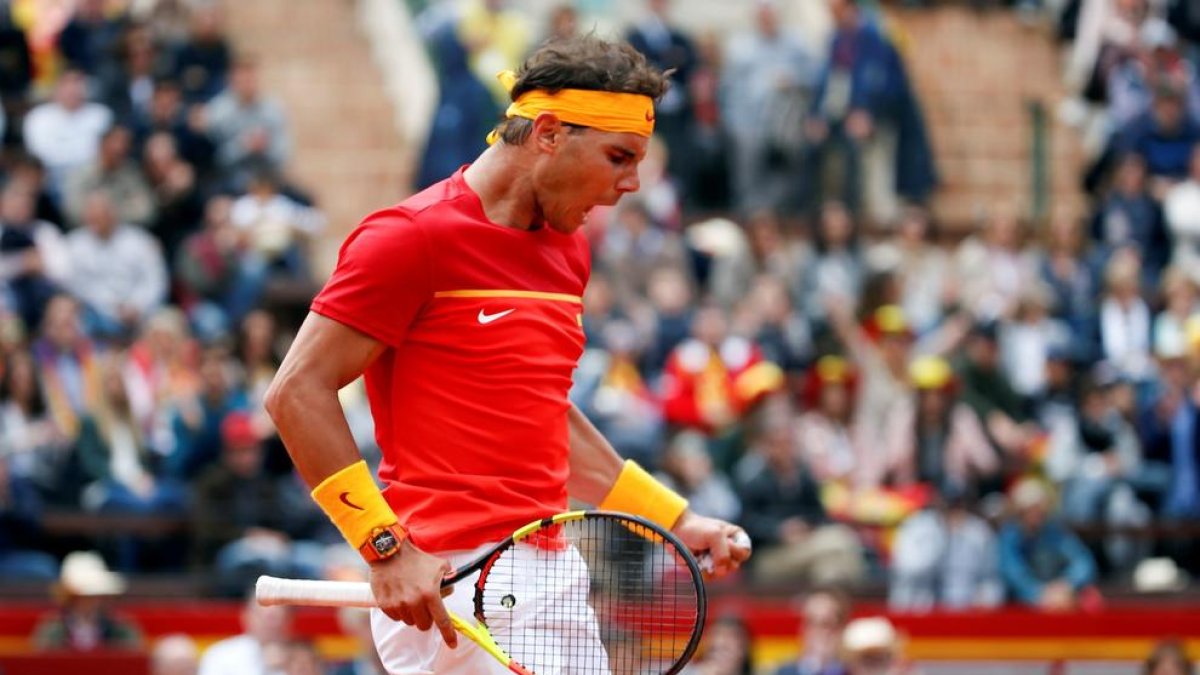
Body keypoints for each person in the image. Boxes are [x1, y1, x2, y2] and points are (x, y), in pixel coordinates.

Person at [263, 35, 750, 675]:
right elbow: (295, 391)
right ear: (548, 133)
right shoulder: (410, 239)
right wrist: (384, 548)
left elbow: (543, 414)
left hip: (553, 567)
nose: (630, 184)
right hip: (455, 582)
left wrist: (673, 520)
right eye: (618, 157)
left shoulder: (569, 249)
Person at [31, 550, 143, 651]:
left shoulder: (121, 627)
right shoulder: (52, 628)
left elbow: (133, 658)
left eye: (95, 595)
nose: (92, 600)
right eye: (85, 596)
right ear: (71, 597)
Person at [772, 588, 850, 675]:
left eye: (826, 624)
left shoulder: (855, 670)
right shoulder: (784, 672)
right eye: (811, 622)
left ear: (842, 628)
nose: (818, 632)